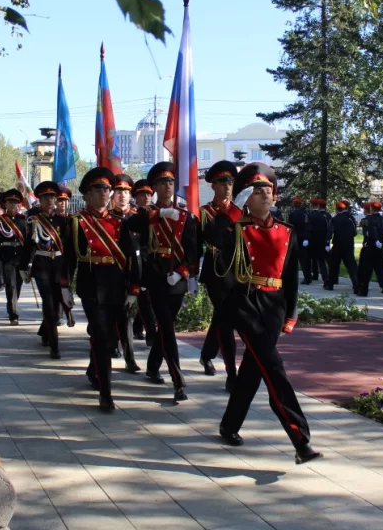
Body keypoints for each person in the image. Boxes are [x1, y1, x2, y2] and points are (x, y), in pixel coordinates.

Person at [205, 162, 321, 465]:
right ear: (246, 197)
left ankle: (229, 425)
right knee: (274, 368)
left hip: (274, 306)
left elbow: (292, 277)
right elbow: (215, 240)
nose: (263, 194)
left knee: (253, 370)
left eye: (267, 189)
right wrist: (233, 212)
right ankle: (300, 440)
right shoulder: (234, 228)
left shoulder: (287, 230)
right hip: (245, 304)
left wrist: (291, 314)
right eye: (256, 190)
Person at [123, 162, 199, 403]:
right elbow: (128, 227)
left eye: (171, 182)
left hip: (176, 277)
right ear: (154, 187)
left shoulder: (185, 216)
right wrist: (157, 214)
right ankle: (178, 381)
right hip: (155, 276)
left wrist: (183, 271)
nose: (168, 186)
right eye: (163, 182)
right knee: (166, 327)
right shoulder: (145, 216)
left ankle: (153, 366)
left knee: (167, 326)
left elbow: (194, 251)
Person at [72, 168, 139, 411]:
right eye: (98, 189)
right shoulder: (77, 222)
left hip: (116, 284)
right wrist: (63, 287)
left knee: (110, 337)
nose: (103, 193)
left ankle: (94, 369)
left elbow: (131, 257)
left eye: (106, 189)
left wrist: (133, 288)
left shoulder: (119, 223)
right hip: (92, 286)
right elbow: (69, 257)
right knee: (100, 335)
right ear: (87, 195)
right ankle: (106, 392)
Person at [196, 161, 243, 390]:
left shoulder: (239, 213)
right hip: (215, 274)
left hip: (235, 274)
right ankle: (231, 372)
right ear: (213, 186)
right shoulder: (205, 214)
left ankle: (206, 355)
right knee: (225, 319)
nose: (227, 187)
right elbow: (198, 243)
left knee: (222, 317)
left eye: (230, 183)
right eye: (222, 183)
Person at [22, 181, 73, 359]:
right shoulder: (33, 220)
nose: (50, 200)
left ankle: (45, 331)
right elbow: (28, 245)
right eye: (46, 197)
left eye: (52, 197)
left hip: (59, 265)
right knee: (49, 303)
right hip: (42, 266)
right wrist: (24, 267)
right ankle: (54, 345)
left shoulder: (63, 220)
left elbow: (68, 246)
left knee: (57, 302)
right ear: (40, 200)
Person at [106, 173, 140, 372]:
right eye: (119, 191)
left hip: (129, 275)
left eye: (126, 192)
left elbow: (142, 251)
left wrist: (138, 281)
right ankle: (110, 347)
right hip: (108, 276)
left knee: (127, 318)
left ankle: (130, 358)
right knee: (108, 317)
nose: (123, 195)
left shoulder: (137, 219)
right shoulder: (106, 218)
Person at [0, 189, 27, 325]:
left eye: (15, 203)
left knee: (17, 285)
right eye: (10, 203)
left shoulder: (23, 220)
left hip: (20, 257)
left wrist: (29, 260)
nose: (13, 205)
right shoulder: (1, 221)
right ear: (5, 204)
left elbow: (28, 241)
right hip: (6, 257)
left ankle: (11, 303)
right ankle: (14, 314)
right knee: (11, 285)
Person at [130, 179, 157, 345]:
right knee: (145, 300)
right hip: (140, 263)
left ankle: (138, 326)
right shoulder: (134, 217)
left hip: (156, 263)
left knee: (150, 300)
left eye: (148, 193)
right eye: (142, 194)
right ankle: (151, 335)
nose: (146, 197)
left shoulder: (159, 212)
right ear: (136, 198)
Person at [324, 200, 359, 292]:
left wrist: (327, 242)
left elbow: (330, 231)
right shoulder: (351, 218)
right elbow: (355, 233)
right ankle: (356, 285)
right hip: (349, 245)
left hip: (338, 245)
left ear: (337, 209)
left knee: (333, 265)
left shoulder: (335, 219)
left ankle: (330, 284)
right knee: (351, 266)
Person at [54, 185, 76, 328]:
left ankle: (65, 311)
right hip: (56, 259)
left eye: (65, 200)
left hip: (71, 258)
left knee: (66, 287)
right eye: (60, 200)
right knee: (59, 286)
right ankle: (61, 314)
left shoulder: (73, 219)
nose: (63, 203)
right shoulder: (52, 219)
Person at [288, 197, 311, 284]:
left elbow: (290, 226)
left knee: (294, 260)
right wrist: (306, 237)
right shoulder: (305, 213)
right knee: (304, 260)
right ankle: (307, 278)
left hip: (295, 237)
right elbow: (307, 226)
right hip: (303, 238)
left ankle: (293, 278)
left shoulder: (292, 214)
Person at [308, 198, 332, 283]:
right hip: (323, 239)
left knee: (316, 259)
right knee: (323, 259)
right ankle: (327, 277)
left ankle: (318, 275)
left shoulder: (312, 215)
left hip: (314, 240)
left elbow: (309, 228)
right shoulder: (326, 216)